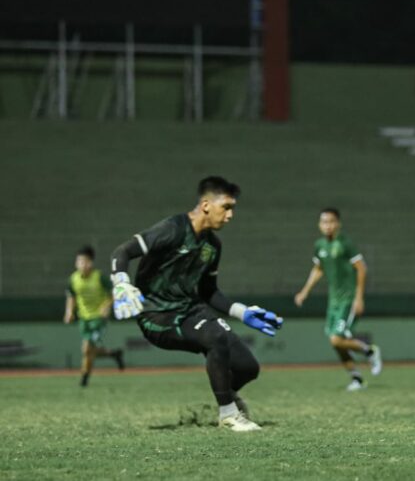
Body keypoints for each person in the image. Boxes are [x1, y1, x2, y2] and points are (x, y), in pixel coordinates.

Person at [110, 176, 283, 432]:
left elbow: (208, 291)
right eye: (226, 207)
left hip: (191, 310)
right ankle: (227, 414)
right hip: (158, 316)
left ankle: (226, 396)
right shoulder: (173, 228)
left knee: (247, 367)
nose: (230, 215)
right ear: (205, 205)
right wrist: (121, 283)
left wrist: (242, 312)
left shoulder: (213, 246)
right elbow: (122, 252)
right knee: (215, 336)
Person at [294, 208, 382, 391]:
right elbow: (318, 269)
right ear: (319, 225)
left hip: (347, 299)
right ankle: (357, 379)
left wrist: (359, 298)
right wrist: (304, 292)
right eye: (324, 222)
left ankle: (369, 350)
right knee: (335, 342)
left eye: (331, 221)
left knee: (336, 339)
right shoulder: (320, 245)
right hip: (333, 302)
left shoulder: (345, 243)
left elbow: (362, 269)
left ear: (338, 224)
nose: (327, 225)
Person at [63, 245, 125, 387]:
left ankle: (84, 377)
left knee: (86, 348)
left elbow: (114, 293)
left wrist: (106, 306)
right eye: (79, 261)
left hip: (99, 318)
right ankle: (113, 354)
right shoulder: (73, 279)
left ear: (91, 262)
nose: (82, 265)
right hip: (84, 318)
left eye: (85, 261)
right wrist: (69, 312)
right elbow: (71, 297)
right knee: (90, 350)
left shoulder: (99, 277)